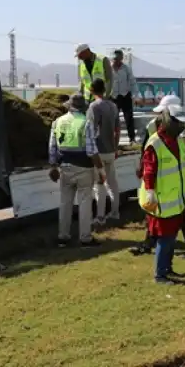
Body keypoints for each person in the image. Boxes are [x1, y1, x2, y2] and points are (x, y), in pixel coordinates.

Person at [138, 107, 185, 284]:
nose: (181, 126)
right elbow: (148, 171)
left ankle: (167, 268)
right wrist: (150, 192)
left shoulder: (179, 141)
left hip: (178, 200)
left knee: (171, 237)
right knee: (165, 238)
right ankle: (160, 274)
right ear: (168, 120)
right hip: (161, 201)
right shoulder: (155, 144)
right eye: (178, 122)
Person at [48, 94, 106, 248]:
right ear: (84, 107)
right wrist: (101, 170)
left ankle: (63, 237)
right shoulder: (86, 123)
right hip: (83, 168)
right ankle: (85, 238)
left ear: (69, 106)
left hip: (65, 166)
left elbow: (52, 147)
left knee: (65, 202)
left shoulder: (57, 122)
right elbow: (92, 151)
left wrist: (53, 166)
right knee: (85, 202)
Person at [86, 78, 121, 225]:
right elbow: (117, 129)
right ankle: (115, 212)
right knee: (112, 183)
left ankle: (100, 217)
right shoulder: (113, 106)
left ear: (92, 90)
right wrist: (116, 146)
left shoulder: (94, 107)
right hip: (111, 150)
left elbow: (90, 130)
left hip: (99, 150)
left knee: (99, 184)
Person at [111, 49, 139, 144]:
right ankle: (113, 140)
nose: (116, 61)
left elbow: (132, 82)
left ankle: (132, 139)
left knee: (129, 118)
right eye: (115, 59)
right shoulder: (109, 68)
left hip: (125, 96)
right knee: (113, 119)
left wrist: (136, 95)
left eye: (118, 58)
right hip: (114, 97)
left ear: (122, 58)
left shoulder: (126, 68)